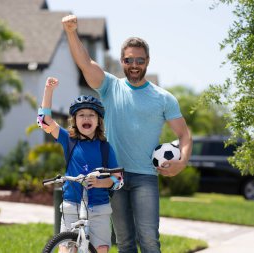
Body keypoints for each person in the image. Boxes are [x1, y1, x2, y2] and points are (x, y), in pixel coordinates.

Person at [62, 15, 193, 253]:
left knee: (149, 240)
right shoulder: (111, 87)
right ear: (122, 61)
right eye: (129, 59)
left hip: (146, 178)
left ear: (148, 61)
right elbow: (85, 63)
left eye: (139, 60)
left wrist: (181, 162)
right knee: (124, 242)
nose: (134, 65)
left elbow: (184, 135)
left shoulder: (164, 98)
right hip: (114, 176)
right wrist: (71, 32)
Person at [37, 77, 124, 253]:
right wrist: (48, 91)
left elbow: (118, 179)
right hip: (72, 205)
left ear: (98, 121)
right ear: (75, 120)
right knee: (67, 249)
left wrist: (101, 182)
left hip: (99, 208)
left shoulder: (105, 147)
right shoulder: (69, 140)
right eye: (81, 115)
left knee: (100, 249)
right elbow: (44, 121)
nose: (86, 118)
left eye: (91, 115)